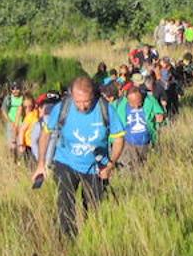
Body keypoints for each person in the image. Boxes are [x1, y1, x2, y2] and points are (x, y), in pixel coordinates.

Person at [31, 76, 125, 238]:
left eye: (86, 101)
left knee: (94, 206)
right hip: (65, 162)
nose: (82, 106)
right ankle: (68, 240)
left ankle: (91, 236)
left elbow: (119, 138)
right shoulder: (62, 108)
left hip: (96, 166)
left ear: (94, 95)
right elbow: (45, 135)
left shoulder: (106, 109)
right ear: (72, 96)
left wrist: (110, 164)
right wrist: (41, 164)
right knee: (65, 203)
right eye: (78, 101)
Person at [113, 85, 164, 169]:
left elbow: (160, 113)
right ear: (128, 100)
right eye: (133, 104)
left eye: (139, 103)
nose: (136, 107)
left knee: (148, 168)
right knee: (132, 170)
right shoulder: (120, 105)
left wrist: (160, 116)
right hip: (129, 144)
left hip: (148, 143)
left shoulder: (150, 100)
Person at [0, 81, 25, 160]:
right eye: (13, 88)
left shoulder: (23, 98)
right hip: (11, 124)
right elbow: (3, 111)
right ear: (11, 90)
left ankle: (20, 160)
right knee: (11, 145)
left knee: (20, 144)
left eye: (17, 88)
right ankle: (11, 160)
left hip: (22, 124)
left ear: (20, 89)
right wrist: (10, 121)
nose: (15, 90)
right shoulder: (8, 98)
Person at [17, 95, 42, 166]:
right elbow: (21, 131)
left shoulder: (36, 113)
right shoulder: (30, 116)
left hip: (37, 145)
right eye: (25, 107)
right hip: (28, 146)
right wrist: (21, 145)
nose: (28, 109)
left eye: (30, 106)